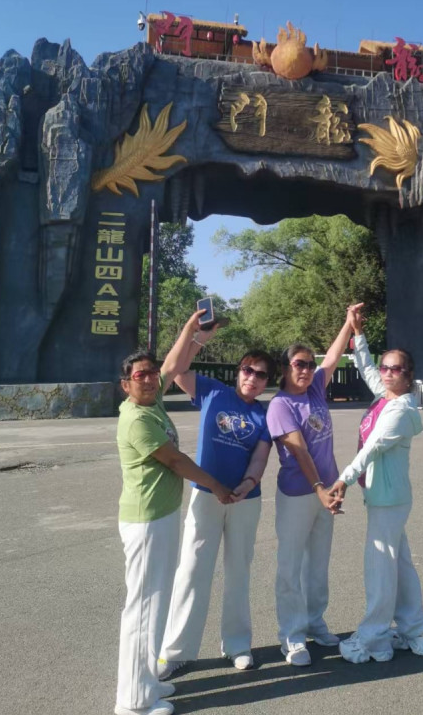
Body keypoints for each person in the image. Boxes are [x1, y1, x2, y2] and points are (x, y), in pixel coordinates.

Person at [115, 312, 233, 715]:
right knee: (144, 609)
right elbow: (177, 461)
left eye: (151, 374)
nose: (150, 379)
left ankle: (147, 682)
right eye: (140, 375)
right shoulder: (136, 419)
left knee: (155, 604)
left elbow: (173, 363)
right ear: (126, 384)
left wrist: (193, 332)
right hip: (146, 521)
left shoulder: (152, 400)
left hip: (161, 516)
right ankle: (133, 702)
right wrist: (216, 485)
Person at [157, 321, 275, 677]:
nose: (252, 378)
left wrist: (249, 482)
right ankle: (175, 651)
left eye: (261, 375)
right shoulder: (213, 392)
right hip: (205, 496)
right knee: (192, 570)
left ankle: (237, 645)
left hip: (245, 501)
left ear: (267, 382)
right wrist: (197, 338)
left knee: (239, 572)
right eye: (248, 370)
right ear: (239, 371)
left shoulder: (264, 414)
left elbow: (260, 456)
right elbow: (176, 370)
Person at [327, 305, 423, 664]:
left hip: (388, 500)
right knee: (399, 565)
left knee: (379, 568)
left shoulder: (400, 410)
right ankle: (415, 630)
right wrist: (357, 333)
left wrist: (342, 480)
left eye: (395, 369)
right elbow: (367, 368)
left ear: (409, 375)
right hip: (388, 497)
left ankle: (373, 638)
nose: (387, 373)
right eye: (385, 367)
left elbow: (372, 448)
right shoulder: (384, 396)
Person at [266, 304, 362, 667]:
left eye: (309, 364)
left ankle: (314, 621)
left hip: (326, 492)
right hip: (298, 494)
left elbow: (333, 356)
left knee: (318, 564)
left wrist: (348, 324)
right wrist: (321, 488)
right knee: (290, 565)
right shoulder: (280, 405)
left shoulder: (316, 390)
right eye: (299, 364)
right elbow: (300, 451)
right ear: (285, 368)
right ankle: (291, 635)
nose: (306, 370)